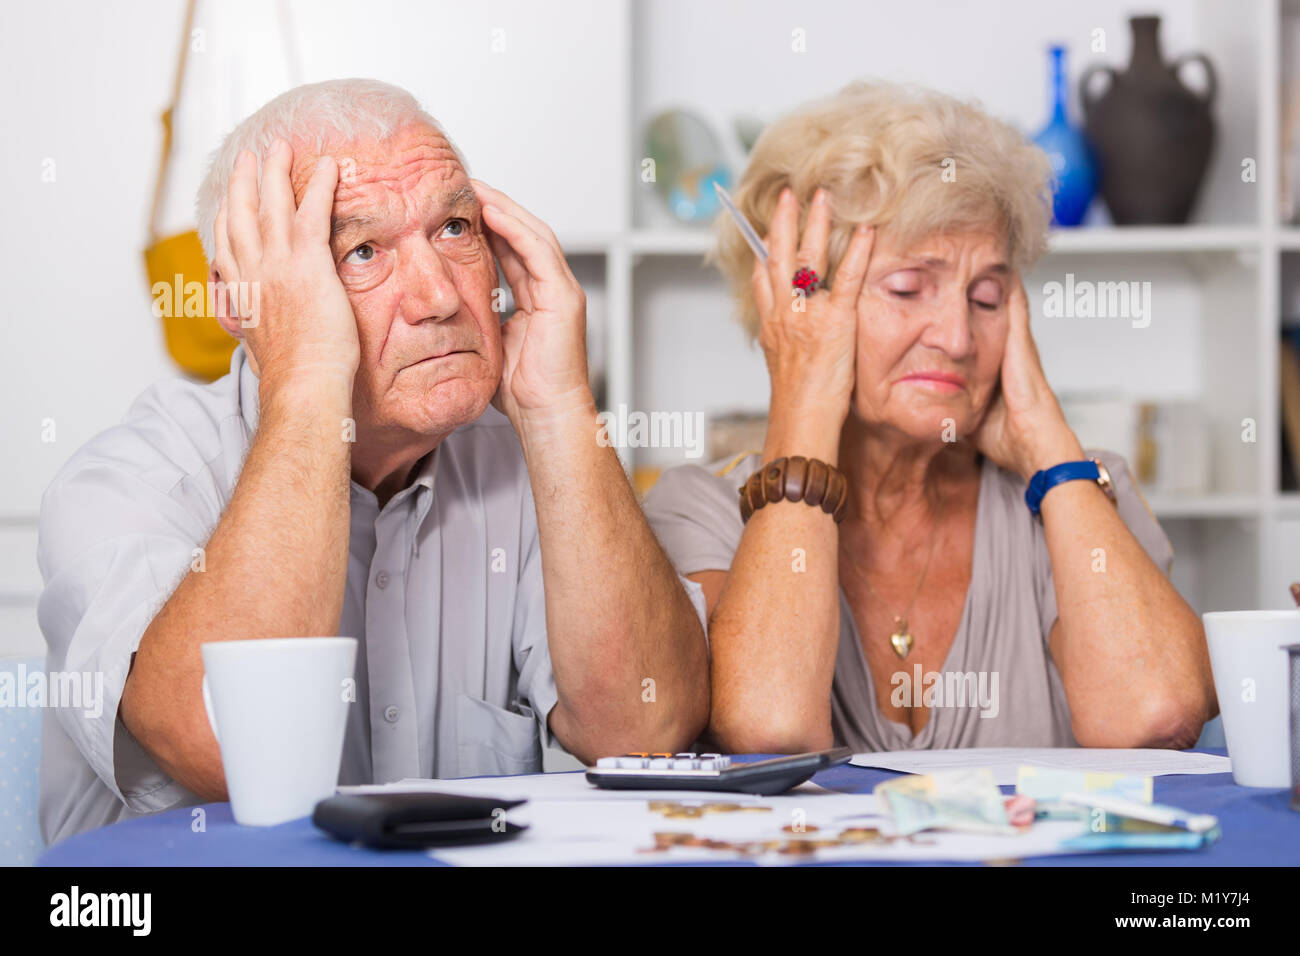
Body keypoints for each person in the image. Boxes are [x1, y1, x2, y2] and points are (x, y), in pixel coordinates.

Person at [37, 78, 709, 844]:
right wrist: (308, 376)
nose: (439, 297)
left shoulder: (526, 467)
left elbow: (645, 729)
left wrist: (559, 411)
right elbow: (226, 748)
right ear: (239, 302)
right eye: (361, 250)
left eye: (455, 229)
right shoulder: (125, 482)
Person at [643, 80, 1217, 754]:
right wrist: (804, 405)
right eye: (910, 287)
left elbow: (1159, 714)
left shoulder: (1081, 491)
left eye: (986, 295)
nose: (958, 337)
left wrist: (1051, 449)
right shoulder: (701, 511)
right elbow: (768, 727)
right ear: (798, 308)